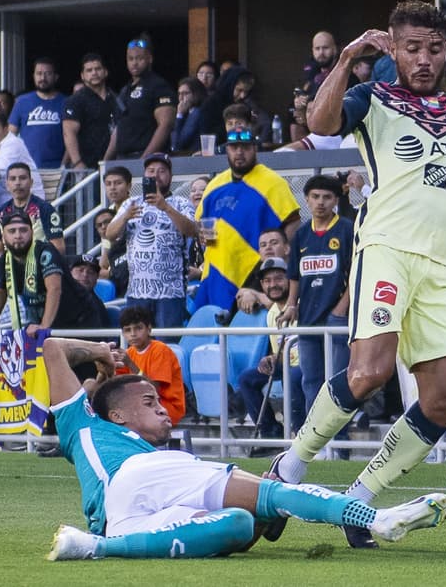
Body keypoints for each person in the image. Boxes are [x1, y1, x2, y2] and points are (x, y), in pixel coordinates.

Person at [270, 0, 446, 549]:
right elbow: (320, 123)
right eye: (412, 49)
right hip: (387, 250)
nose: (424, 59)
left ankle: (359, 500)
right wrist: (350, 55)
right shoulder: (372, 98)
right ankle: (289, 467)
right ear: (394, 51)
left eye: (434, 49)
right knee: (369, 371)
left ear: (445, 51)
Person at [41, 338, 446, 561]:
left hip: (121, 526)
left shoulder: (111, 441)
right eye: (149, 403)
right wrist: (99, 352)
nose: (164, 410)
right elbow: (52, 349)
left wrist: (260, 518)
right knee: (270, 492)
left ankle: (93, 548)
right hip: (134, 479)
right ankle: (375, 517)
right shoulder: (84, 425)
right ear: (117, 416)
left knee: (239, 524)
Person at [195, 128, 300, 312]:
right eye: (234, 148)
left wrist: (278, 261)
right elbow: (201, 225)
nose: (239, 152)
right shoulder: (214, 185)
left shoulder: (273, 182)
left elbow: (293, 223)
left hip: (258, 274)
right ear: (226, 150)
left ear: (255, 149)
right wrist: (202, 236)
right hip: (216, 273)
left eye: (245, 147)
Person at [279, 175, 354, 415]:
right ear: (307, 200)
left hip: (337, 317)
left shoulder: (347, 229)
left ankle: (338, 440)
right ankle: (314, 441)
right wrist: (291, 304)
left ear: (335, 200)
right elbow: (294, 275)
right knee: (310, 381)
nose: (320, 202)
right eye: (315, 197)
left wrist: (341, 308)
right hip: (308, 317)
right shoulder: (301, 234)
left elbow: (356, 272)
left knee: (338, 380)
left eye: (327, 197)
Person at [106, 152, 197, 328]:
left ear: (170, 176)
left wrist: (165, 207)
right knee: (137, 347)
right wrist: (125, 216)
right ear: (144, 175)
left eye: (162, 171)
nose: (155, 175)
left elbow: (192, 231)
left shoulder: (181, 203)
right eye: (151, 170)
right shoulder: (130, 203)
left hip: (170, 293)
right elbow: (110, 234)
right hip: (137, 291)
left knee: (167, 346)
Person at [0, 209, 103, 337]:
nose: (18, 235)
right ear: (3, 236)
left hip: (80, 319)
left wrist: (44, 327)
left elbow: (54, 289)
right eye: (12, 231)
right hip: (46, 321)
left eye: (23, 230)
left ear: (32, 233)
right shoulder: (4, 261)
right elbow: (0, 293)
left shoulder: (46, 252)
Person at [239, 257, 304, 445]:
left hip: (308, 364)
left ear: (290, 279)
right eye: (267, 281)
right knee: (247, 378)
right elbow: (281, 352)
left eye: (278, 279)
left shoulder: (302, 303)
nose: (273, 285)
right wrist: (271, 359)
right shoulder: (272, 313)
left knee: (292, 375)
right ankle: (270, 432)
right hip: (287, 365)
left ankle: (301, 436)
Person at [107, 36, 176, 161]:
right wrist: (106, 161)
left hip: (147, 159)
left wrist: (144, 159)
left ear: (149, 59)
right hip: (122, 158)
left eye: (139, 58)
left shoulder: (158, 85)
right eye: (131, 59)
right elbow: (119, 128)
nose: (134, 63)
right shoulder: (125, 90)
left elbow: (166, 124)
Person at [114, 305, 185, 424]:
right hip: (140, 403)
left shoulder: (160, 350)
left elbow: (154, 389)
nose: (133, 334)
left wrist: (131, 364)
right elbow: (118, 385)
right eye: (128, 330)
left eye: (138, 328)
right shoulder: (129, 353)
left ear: (149, 329)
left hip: (166, 406)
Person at [63, 53, 120, 170]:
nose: (94, 73)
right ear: (82, 76)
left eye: (98, 69)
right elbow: (69, 133)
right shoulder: (75, 100)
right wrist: (77, 162)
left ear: (105, 72)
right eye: (89, 70)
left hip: (115, 164)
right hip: (86, 166)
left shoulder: (117, 98)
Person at [0, 162, 65, 253]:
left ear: (31, 182)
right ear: (7, 185)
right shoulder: (0, 212)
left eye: (22, 178)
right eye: (13, 179)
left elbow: (59, 247)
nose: (18, 183)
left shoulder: (45, 209)